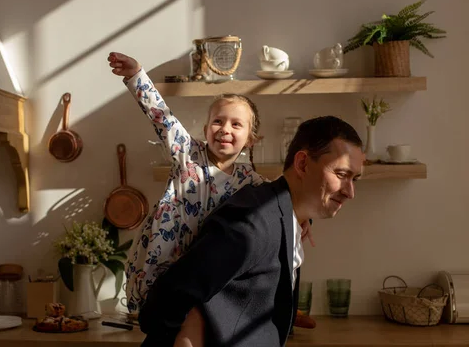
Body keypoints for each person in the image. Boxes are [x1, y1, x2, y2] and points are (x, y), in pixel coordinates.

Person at [107, 52, 313, 347]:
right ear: (205, 130)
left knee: (191, 328)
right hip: (164, 265)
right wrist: (136, 75)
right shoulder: (187, 156)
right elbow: (161, 117)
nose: (225, 129)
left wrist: (304, 219)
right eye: (218, 121)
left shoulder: (252, 183)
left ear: (251, 139)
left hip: (204, 277)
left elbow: (283, 202)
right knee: (160, 322)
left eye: (236, 125)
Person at [138, 115, 364, 347]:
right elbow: (167, 300)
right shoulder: (254, 222)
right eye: (342, 174)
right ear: (303, 163)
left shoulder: (286, 217)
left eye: (355, 178)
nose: (350, 192)